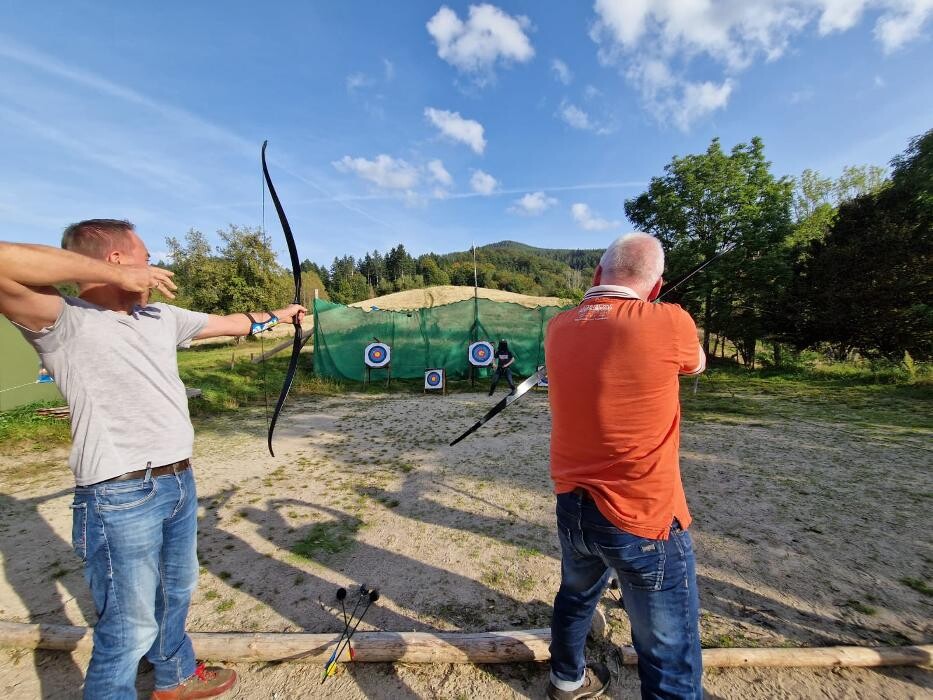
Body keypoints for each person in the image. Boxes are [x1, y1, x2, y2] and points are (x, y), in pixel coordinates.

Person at [0, 220, 306, 700]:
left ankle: (175, 676)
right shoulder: (63, 319)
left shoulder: (161, 317)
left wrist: (280, 315)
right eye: (144, 256)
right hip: (118, 492)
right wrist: (111, 276)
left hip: (179, 480)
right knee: (128, 627)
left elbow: (233, 323)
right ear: (116, 261)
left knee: (175, 594)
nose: (153, 266)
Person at [544, 232, 706, 700]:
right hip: (643, 518)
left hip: (573, 507)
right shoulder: (669, 319)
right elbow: (695, 365)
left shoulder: (558, 325)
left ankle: (566, 680)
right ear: (655, 287)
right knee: (668, 651)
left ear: (596, 275)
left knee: (575, 597)